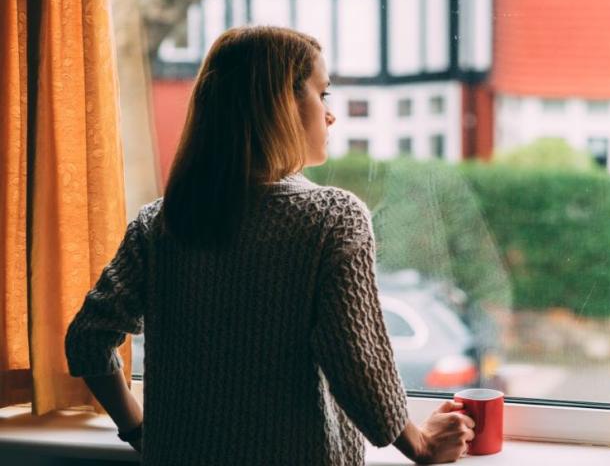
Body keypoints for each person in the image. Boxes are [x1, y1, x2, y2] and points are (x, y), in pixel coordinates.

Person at [65, 26, 476, 465]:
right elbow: (358, 362)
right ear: (282, 103)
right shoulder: (331, 217)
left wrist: (141, 431)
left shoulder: (160, 223)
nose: (330, 114)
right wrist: (421, 444)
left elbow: (87, 340)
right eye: (323, 94)